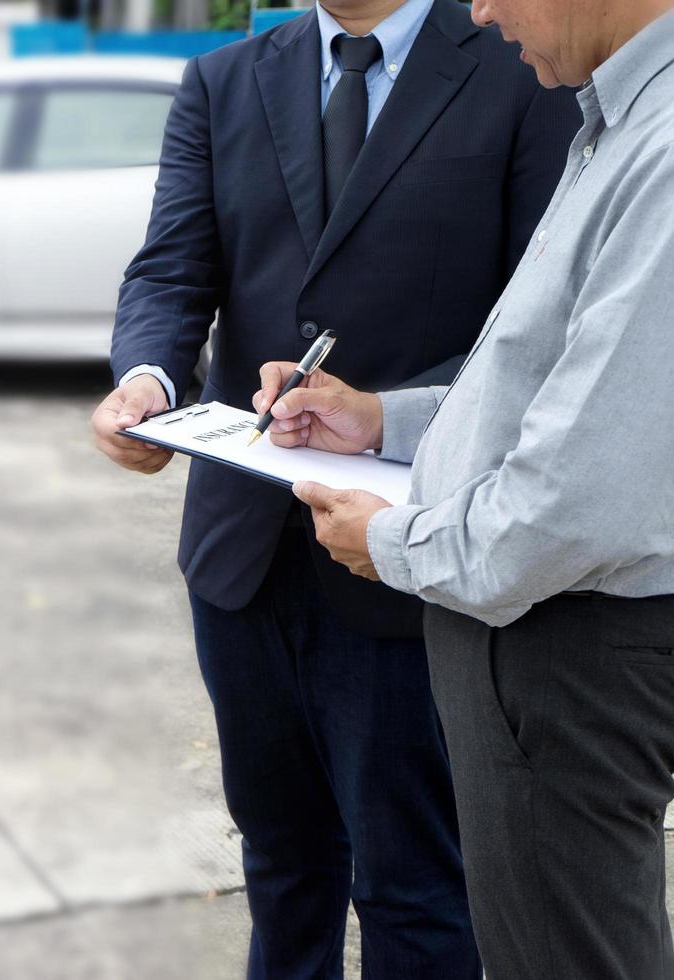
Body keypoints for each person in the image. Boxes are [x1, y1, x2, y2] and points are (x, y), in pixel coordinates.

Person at [91, 0, 581, 975]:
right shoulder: (222, 80)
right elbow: (172, 271)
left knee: (418, 884)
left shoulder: (520, 70)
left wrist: (389, 410)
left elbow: (545, 321)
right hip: (242, 561)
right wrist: (147, 378)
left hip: (411, 553)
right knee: (281, 865)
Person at [259, 0, 674, 972]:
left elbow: (576, 501)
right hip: (548, 633)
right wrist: (384, 419)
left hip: (560, 639)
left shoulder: (662, 147)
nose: (479, 10)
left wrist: (393, 543)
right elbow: (553, 382)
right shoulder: (620, 118)